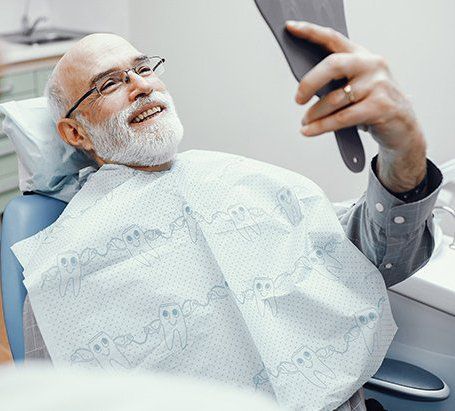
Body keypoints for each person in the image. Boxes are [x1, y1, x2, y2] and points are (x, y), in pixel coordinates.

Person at [21, 21, 442, 411]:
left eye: (142, 68)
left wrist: (403, 155)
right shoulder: (62, 269)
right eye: (110, 83)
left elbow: (376, 259)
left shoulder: (243, 179)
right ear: (74, 133)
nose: (141, 86)